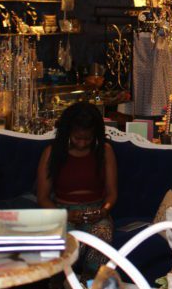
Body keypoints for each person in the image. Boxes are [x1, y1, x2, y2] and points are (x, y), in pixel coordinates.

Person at [37, 102, 118, 275]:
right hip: (62, 211)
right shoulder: (52, 152)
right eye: (77, 138)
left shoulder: (105, 151)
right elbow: (43, 197)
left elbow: (112, 194)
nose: (82, 144)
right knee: (66, 241)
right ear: (68, 133)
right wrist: (66, 215)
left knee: (102, 234)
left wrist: (104, 211)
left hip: (96, 211)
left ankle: (90, 282)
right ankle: (61, 282)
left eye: (87, 139)